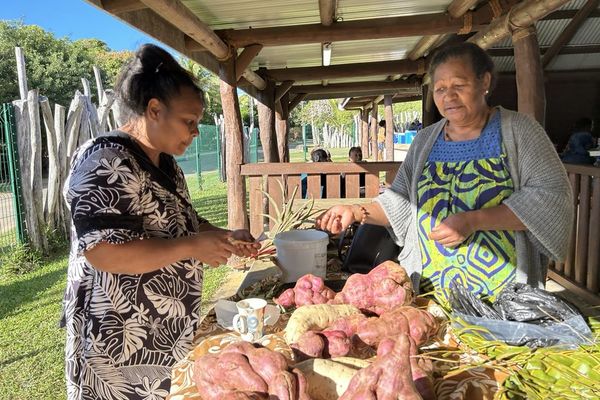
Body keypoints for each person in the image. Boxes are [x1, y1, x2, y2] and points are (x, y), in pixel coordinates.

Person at [61, 44, 259, 400]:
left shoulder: (165, 163)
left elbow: (182, 222)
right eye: (190, 121)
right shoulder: (105, 159)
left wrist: (224, 236)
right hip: (116, 345)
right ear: (154, 109)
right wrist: (191, 246)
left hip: (160, 336)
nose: (196, 131)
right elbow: (105, 251)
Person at [316, 42, 573, 302]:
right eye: (440, 89)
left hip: (503, 298)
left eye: (458, 86)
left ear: (484, 81)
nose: (448, 96)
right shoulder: (426, 140)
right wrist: (356, 211)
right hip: (430, 295)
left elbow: (549, 199)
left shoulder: (520, 131)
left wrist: (474, 221)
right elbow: (400, 203)